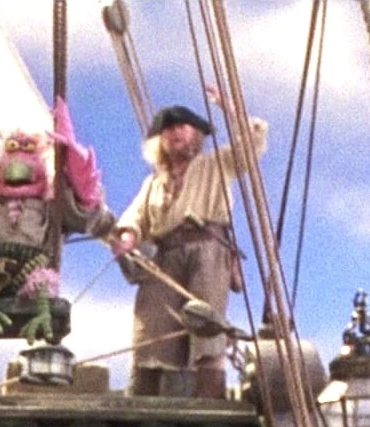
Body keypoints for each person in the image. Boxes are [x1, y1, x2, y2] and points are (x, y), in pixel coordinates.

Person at [111, 88, 267, 399]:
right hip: (165, 257)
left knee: (206, 327)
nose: (175, 133)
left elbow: (252, 143)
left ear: (197, 134)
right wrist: (127, 236)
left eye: (182, 127)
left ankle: (209, 401)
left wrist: (230, 107)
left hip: (207, 250)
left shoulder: (217, 164)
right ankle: (142, 402)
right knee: (151, 330)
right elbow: (135, 217)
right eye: (168, 129)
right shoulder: (153, 183)